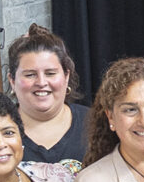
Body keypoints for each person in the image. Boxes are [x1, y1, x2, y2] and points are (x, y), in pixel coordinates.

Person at [8, 23, 90, 166]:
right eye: (30, 75)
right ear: (12, 81)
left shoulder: (96, 124)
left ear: (66, 76)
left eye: (50, 73)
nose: (41, 82)